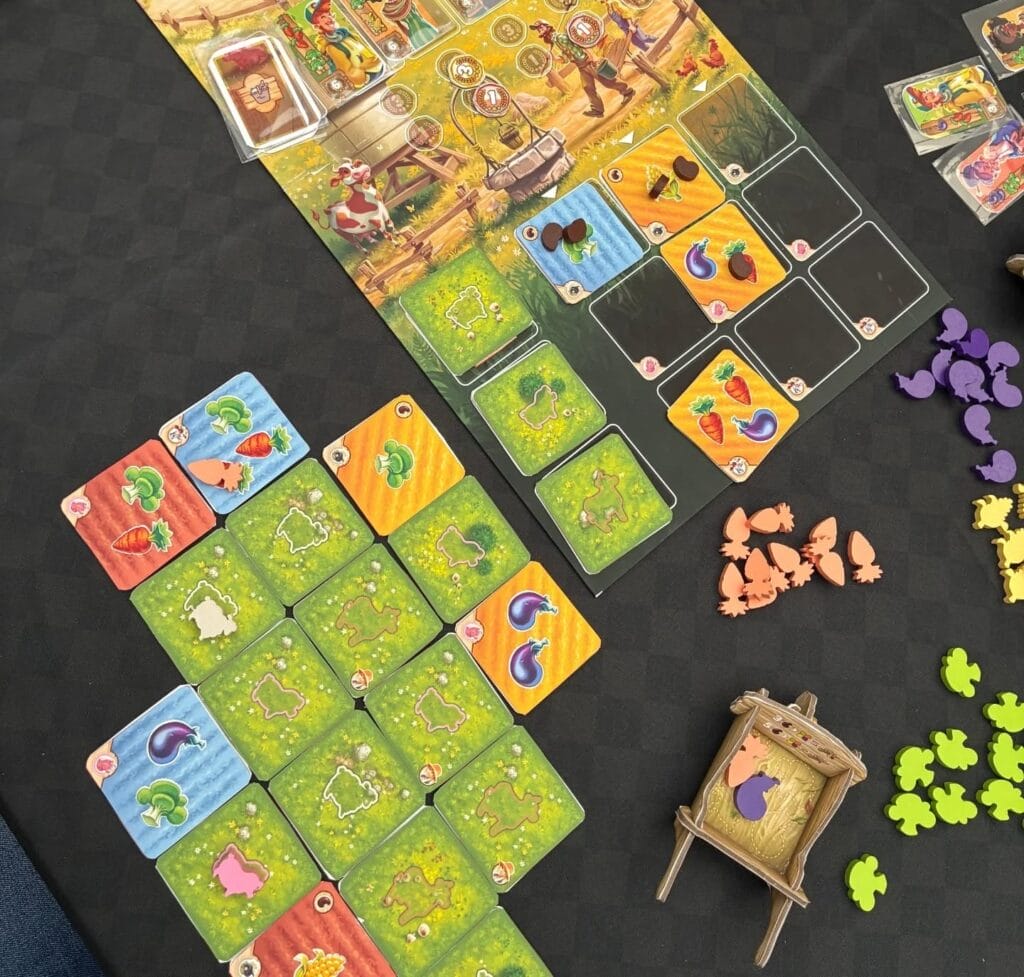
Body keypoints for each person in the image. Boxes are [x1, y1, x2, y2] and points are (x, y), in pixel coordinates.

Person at [530, 19, 634, 118]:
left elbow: (579, 43)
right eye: (538, 29)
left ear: (548, 28)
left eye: (541, 28)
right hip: (580, 65)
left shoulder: (561, 37)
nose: (539, 30)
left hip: (586, 61)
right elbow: (566, 57)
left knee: (606, 81)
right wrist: (553, 57)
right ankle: (597, 109)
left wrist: (592, 56)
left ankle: (627, 91)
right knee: (587, 87)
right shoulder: (556, 41)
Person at [306, 0, 384, 89]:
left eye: (329, 14)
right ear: (317, 26)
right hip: (371, 79)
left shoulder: (345, 34)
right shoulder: (331, 48)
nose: (329, 18)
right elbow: (353, 77)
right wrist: (363, 66)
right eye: (323, 17)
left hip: (381, 65)